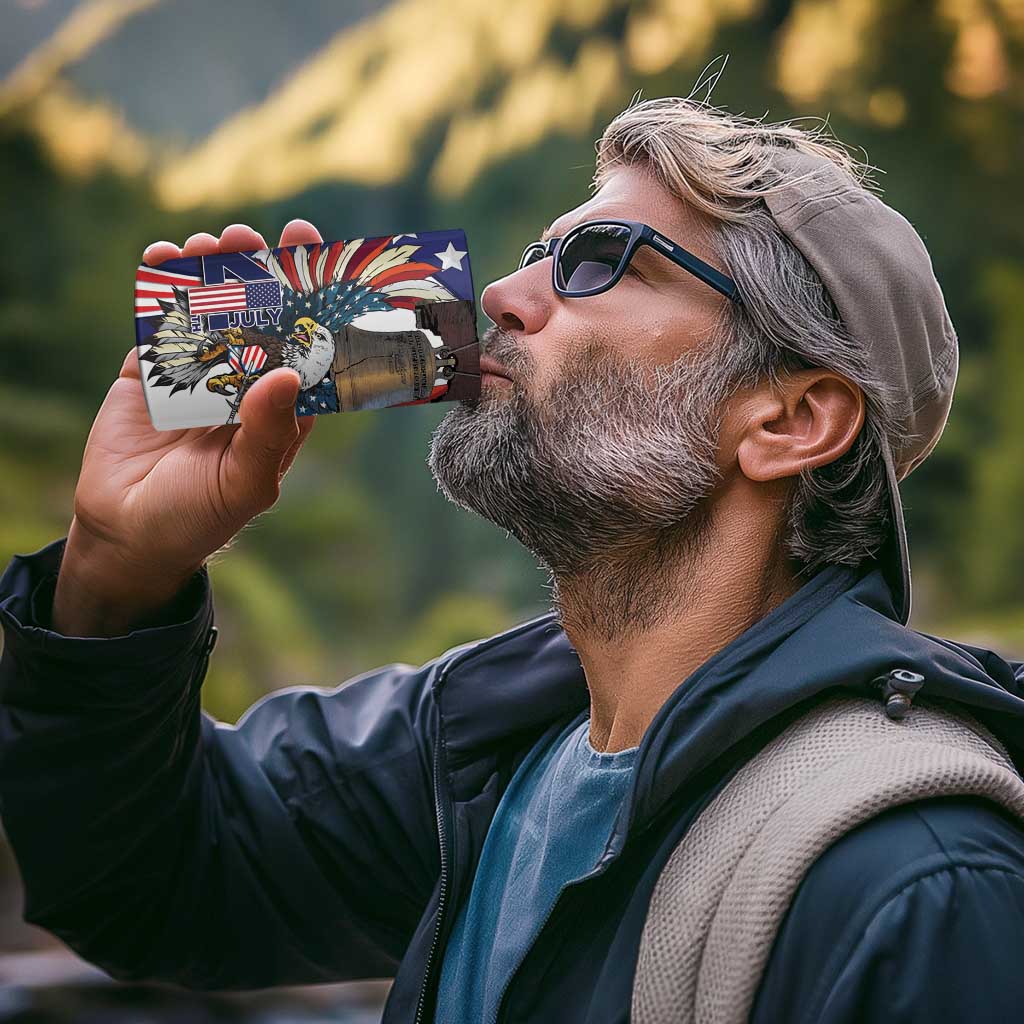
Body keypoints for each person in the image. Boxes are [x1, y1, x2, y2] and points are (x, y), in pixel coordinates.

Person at [2, 95, 1024, 1024]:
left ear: (791, 419)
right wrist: (116, 571)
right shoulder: (480, 748)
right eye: (540, 251)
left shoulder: (918, 883)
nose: (499, 291)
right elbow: (149, 880)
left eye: (599, 261)